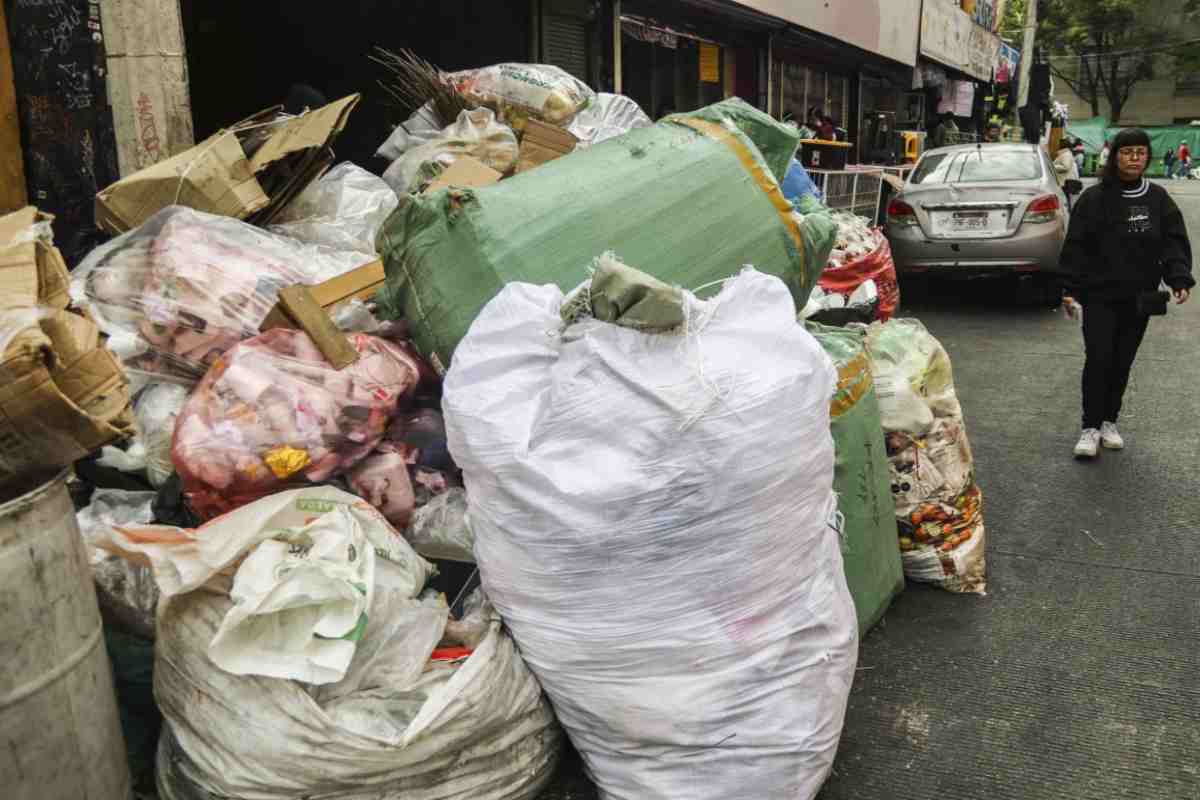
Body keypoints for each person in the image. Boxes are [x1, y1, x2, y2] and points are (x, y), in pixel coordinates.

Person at [1059, 128, 1194, 459]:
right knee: (1099, 358)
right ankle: (1090, 427)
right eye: (1127, 152)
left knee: (1122, 361)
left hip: (1140, 297)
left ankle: (1109, 422)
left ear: (1147, 157)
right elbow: (1076, 246)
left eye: (1140, 152)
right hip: (1099, 295)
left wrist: (1178, 277)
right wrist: (1070, 288)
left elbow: (1172, 242)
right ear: (1114, 156)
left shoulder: (1157, 199)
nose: (1134, 158)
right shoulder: (1094, 199)